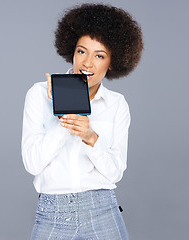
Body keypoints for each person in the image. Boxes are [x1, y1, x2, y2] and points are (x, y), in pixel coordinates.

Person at [21, 3, 143, 240]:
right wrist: (65, 116)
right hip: (53, 214)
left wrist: (90, 137)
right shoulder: (38, 94)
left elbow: (115, 173)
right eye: (81, 51)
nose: (87, 63)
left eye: (99, 55)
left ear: (113, 62)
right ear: (71, 51)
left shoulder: (117, 104)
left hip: (103, 212)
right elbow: (33, 164)